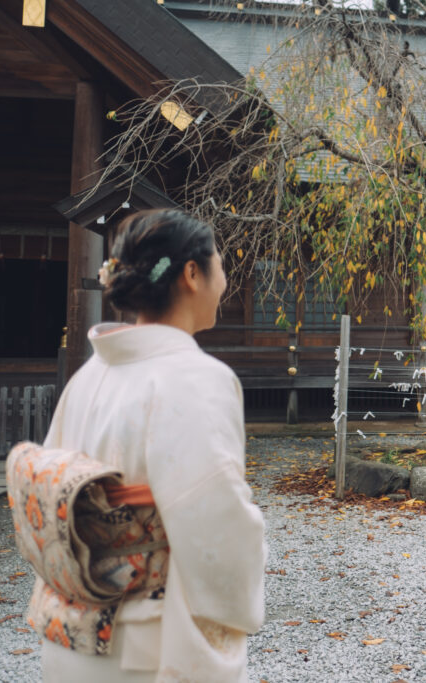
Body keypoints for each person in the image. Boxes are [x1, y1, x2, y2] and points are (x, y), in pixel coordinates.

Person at [34, 209, 266, 681]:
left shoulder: (87, 378)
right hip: (145, 644)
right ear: (192, 273)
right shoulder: (196, 379)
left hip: (71, 633)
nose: (225, 281)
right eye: (220, 266)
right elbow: (214, 519)